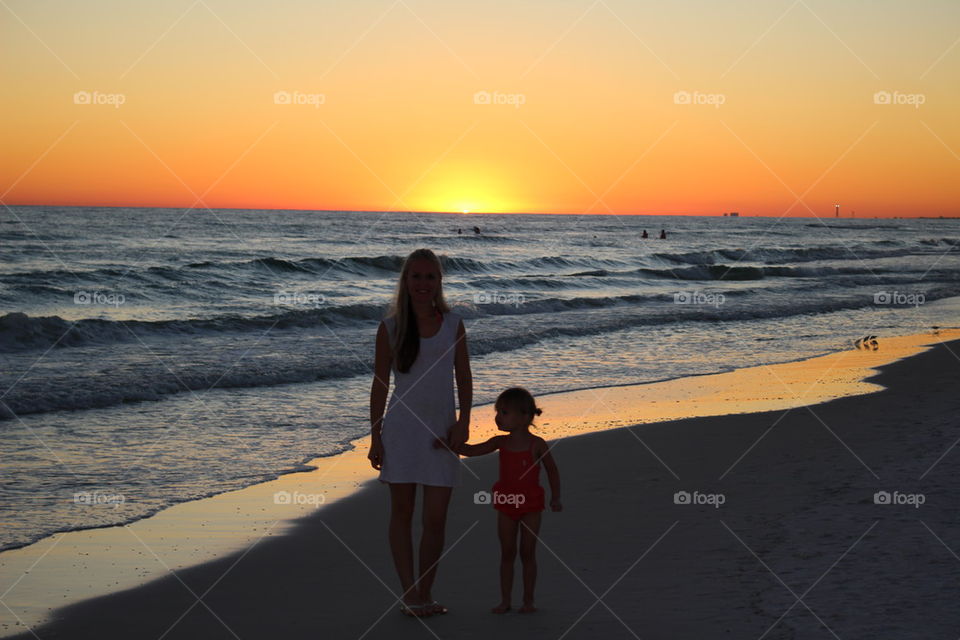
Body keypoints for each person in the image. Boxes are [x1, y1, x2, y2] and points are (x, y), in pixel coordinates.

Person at [368, 248, 473, 617]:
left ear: (439, 282)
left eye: (430, 277)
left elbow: (464, 377)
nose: (423, 283)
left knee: (436, 518)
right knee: (402, 513)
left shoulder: (453, 324)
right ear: (405, 281)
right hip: (401, 431)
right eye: (416, 276)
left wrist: (463, 423)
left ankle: (426, 591)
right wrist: (375, 435)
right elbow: (380, 385)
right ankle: (410, 593)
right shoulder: (391, 328)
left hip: (442, 432)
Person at [455, 387, 561, 614]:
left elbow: (552, 470)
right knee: (507, 553)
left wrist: (556, 497)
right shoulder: (499, 442)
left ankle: (528, 601)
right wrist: (448, 443)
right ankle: (505, 601)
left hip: (531, 505)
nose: (497, 417)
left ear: (524, 417)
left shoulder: (537, 444)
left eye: (504, 412)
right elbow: (471, 451)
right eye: (498, 412)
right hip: (506, 504)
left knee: (527, 553)